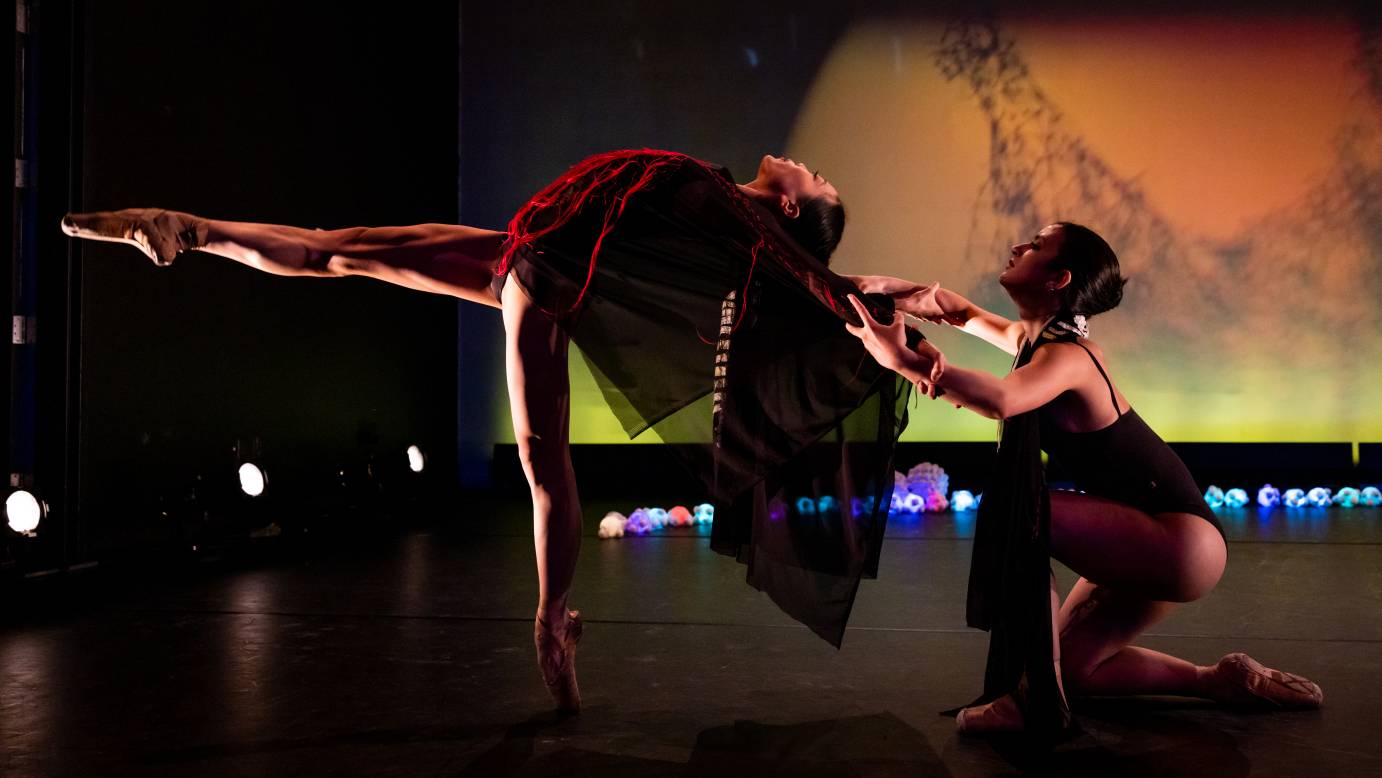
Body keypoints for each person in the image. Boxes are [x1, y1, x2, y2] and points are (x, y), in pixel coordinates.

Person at [63, 149, 915, 715]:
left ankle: (551, 620)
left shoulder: (747, 222)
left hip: (543, 278)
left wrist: (900, 329)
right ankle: (187, 229)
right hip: (524, 246)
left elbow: (815, 283)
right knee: (343, 250)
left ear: (798, 208)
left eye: (819, 179)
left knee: (546, 467)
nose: (808, 164)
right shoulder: (728, 196)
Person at [844, 221, 1323, 739]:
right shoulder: (1036, 339)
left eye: (1036, 245)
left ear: (1058, 278)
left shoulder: (1070, 357)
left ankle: (1027, 699)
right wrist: (859, 287)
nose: (1017, 246)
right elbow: (955, 311)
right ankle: (1218, 680)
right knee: (1076, 672)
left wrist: (898, 359)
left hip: (1177, 540)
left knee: (1022, 511)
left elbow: (1003, 401)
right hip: (1153, 535)